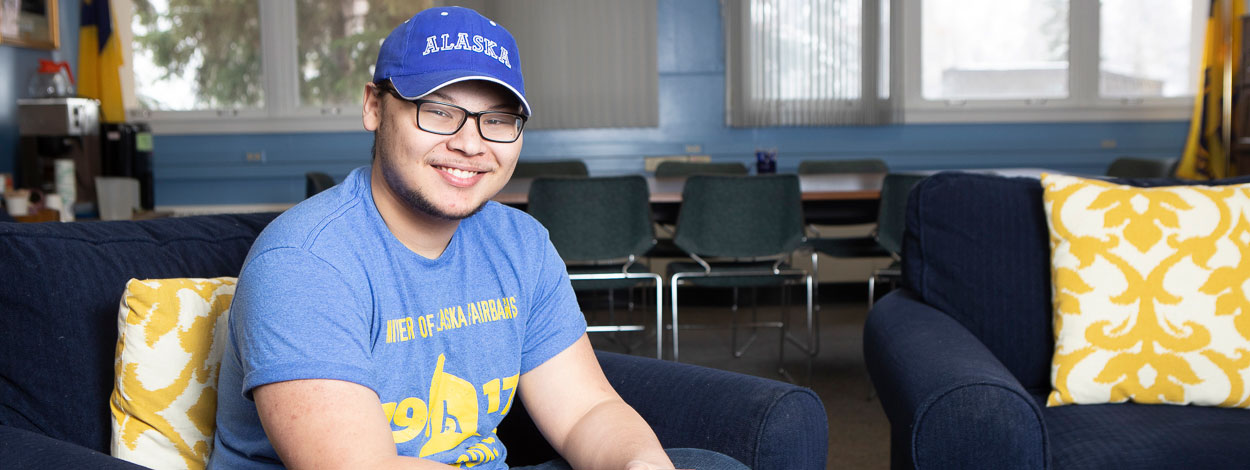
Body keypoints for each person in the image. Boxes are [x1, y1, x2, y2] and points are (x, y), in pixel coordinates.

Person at [208, 6, 748, 470]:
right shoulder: (304, 261)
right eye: (439, 111)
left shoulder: (522, 244)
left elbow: (586, 411)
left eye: (498, 118)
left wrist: (640, 462)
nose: (471, 144)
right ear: (375, 107)